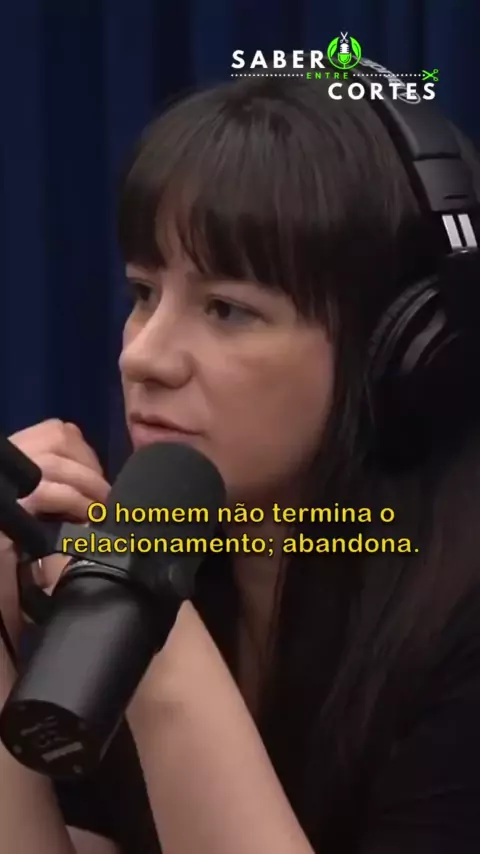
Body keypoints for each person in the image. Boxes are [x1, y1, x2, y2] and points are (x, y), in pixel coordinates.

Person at [1, 66, 480, 854]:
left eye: (227, 309)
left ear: (401, 354)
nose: (142, 357)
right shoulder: (181, 573)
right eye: (143, 293)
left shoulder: (461, 635)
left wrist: (152, 644)